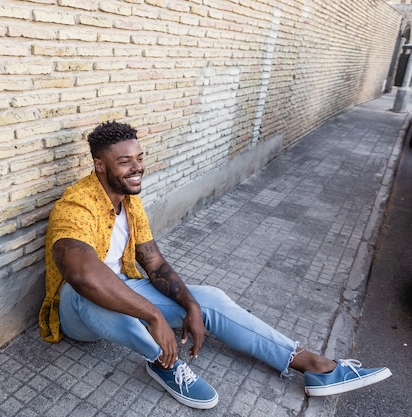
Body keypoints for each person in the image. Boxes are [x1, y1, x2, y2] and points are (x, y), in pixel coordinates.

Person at [38, 121, 391, 409]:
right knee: (89, 292)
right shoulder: (76, 205)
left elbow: (153, 261)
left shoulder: (129, 202)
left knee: (211, 300)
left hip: (124, 286)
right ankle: (166, 364)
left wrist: (190, 304)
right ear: (100, 165)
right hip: (76, 311)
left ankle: (315, 367)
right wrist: (153, 315)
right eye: (125, 161)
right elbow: (83, 274)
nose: (138, 168)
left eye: (140, 158)